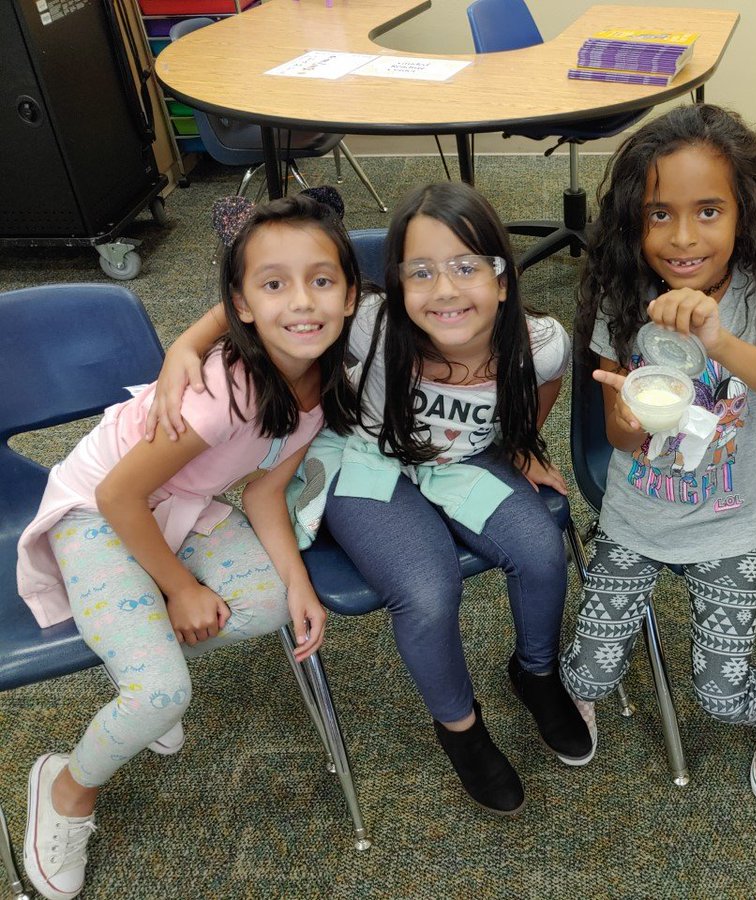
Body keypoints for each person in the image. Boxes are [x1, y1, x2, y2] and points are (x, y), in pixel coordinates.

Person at [147, 182, 589, 817]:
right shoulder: (373, 324)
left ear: (503, 278)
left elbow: (542, 382)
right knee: (428, 588)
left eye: (468, 267)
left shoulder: (539, 340)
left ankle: (536, 674)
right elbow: (251, 304)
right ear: (397, 284)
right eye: (421, 272)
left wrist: (520, 442)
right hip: (366, 461)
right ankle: (461, 729)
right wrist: (184, 346)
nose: (444, 290)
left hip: (464, 463)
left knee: (543, 550)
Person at [17, 189, 360, 900]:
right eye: (274, 286)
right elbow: (117, 496)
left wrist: (297, 583)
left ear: (351, 295)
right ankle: (67, 788)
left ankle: (139, 670)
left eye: (321, 281)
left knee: (266, 606)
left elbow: (264, 493)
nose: (302, 302)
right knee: (162, 691)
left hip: (180, 500)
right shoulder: (217, 395)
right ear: (241, 304)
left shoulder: (324, 379)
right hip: (99, 508)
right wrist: (179, 588)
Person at [558, 104, 756, 804]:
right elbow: (620, 439)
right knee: (585, 675)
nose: (683, 237)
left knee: (722, 692)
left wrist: (723, 345)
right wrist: (623, 421)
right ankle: (583, 687)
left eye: (709, 211)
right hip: (637, 517)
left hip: (729, 522)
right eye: (659, 214)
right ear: (633, 220)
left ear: (745, 211)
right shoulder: (625, 293)